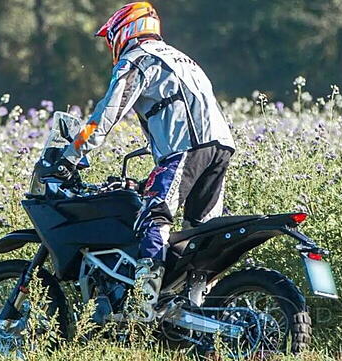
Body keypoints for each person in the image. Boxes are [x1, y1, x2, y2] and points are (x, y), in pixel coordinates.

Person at [41, 1, 235, 318]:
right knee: (200, 233)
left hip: (186, 148)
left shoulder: (138, 59)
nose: (111, 47)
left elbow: (105, 116)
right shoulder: (183, 59)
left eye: (111, 39)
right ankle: (197, 310)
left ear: (125, 31)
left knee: (153, 217)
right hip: (221, 147)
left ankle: (144, 304)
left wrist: (70, 157)